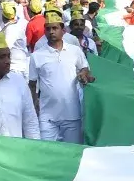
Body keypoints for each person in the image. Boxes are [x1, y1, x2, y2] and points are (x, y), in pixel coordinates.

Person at [29, 11, 94, 143]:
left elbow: (85, 68)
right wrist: (34, 104)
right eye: (48, 29)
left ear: (63, 30)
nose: (51, 32)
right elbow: (32, 83)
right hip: (47, 117)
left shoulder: (75, 51)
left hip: (72, 114)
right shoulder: (36, 56)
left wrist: (83, 73)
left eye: (55, 28)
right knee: (47, 152)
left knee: (73, 152)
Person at [0, 32, 41, 139]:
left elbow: (30, 121)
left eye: (8, 56)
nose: (8, 61)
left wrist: (35, 148)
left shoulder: (19, 82)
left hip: (14, 150)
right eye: (2, 57)